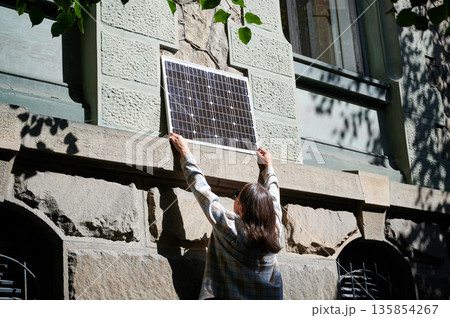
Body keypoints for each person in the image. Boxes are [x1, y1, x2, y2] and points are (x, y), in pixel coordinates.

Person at [169, 132, 283, 300]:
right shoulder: (275, 231)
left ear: (242, 209)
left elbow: (202, 190)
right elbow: (273, 199)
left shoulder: (230, 226)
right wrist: (269, 168)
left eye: (237, 195)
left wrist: (185, 151)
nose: (234, 198)